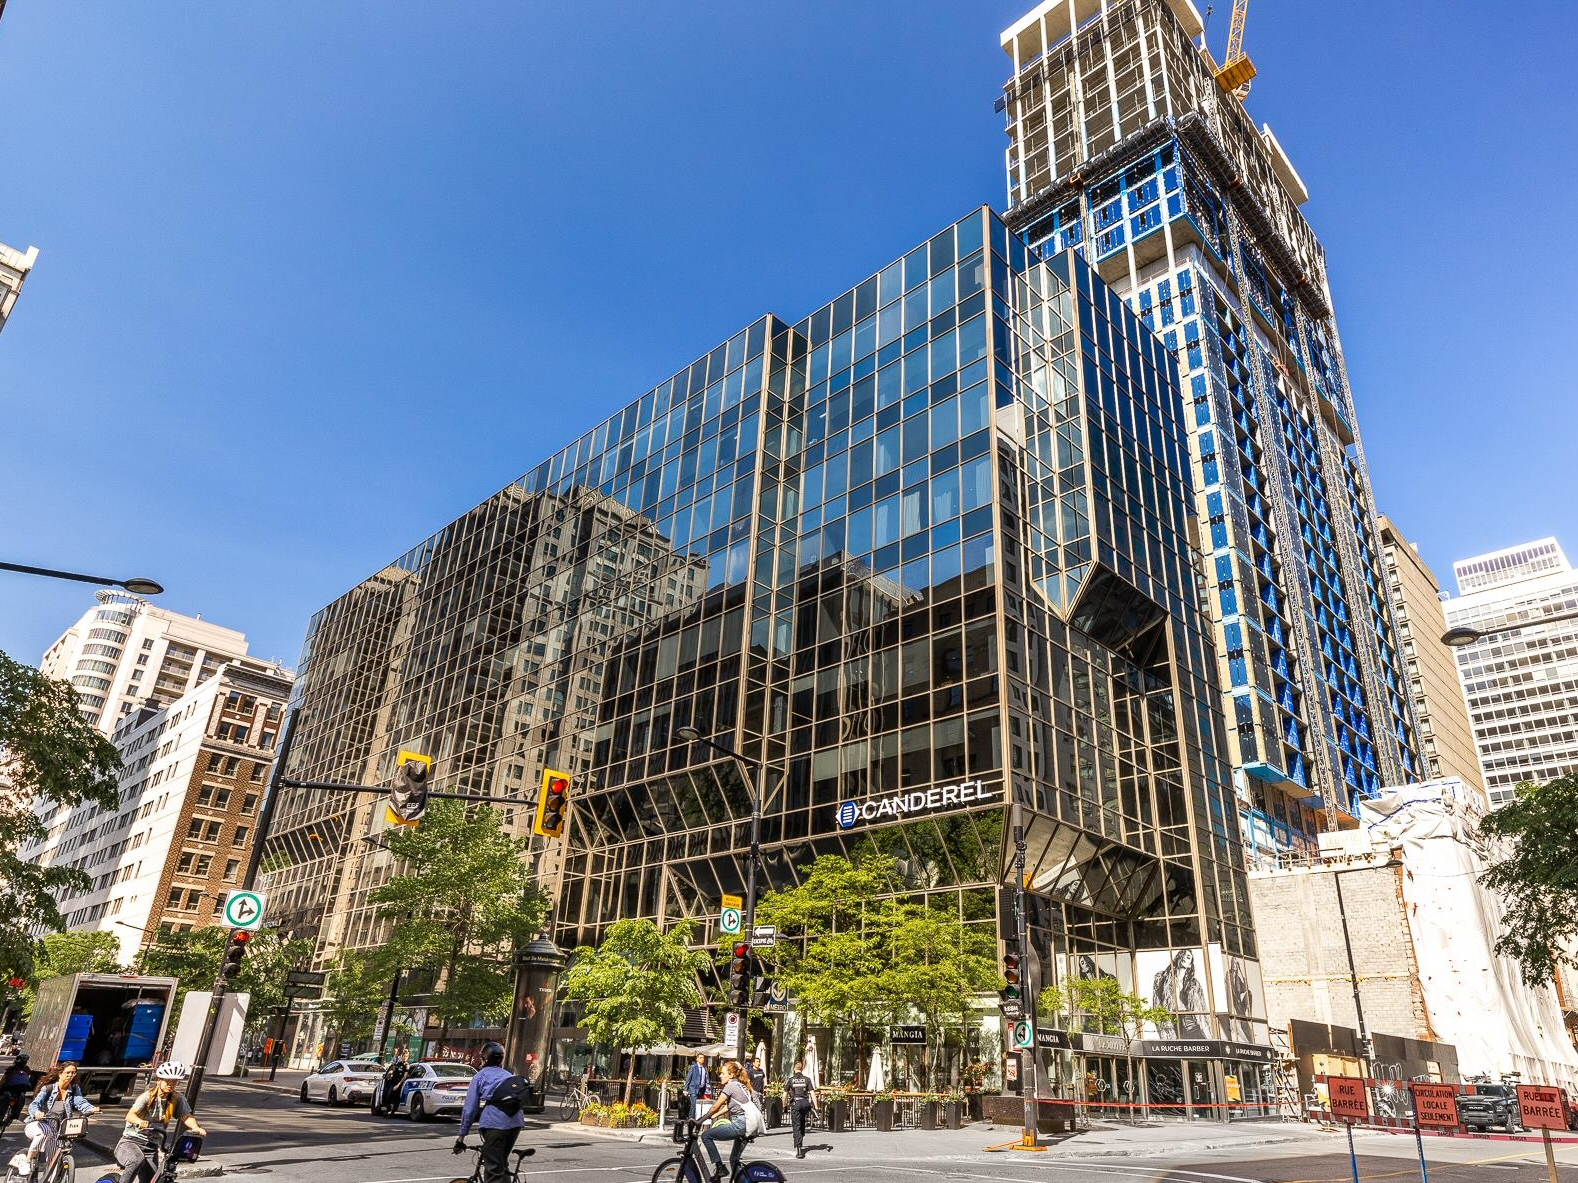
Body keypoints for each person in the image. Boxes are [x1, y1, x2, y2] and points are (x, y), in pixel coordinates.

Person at [115, 1062, 206, 1183]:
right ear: (159, 1081)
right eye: (167, 1081)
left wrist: (195, 1127)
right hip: (130, 1142)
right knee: (136, 1160)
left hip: (151, 1146)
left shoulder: (177, 1099)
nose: (171, 1084)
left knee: (153, 1180)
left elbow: (186, 1116)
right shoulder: (147, 1096)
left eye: (174, 1081)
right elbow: (130, 1115)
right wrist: (139, 1121)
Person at [454, 1041, 523, 1183]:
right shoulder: (508, 1075)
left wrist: (461, 1136)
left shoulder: (480, 1076)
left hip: (495, 1124)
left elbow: (470, 1109)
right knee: (501, 1163)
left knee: (493, 1170)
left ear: (485, 1059)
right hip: (516, 1123)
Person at [25, 1062, 99, 1175]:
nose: (70, 1075)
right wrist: (37, 1113)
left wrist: (91, 1108)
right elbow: (34, 1104)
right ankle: (27, 1160)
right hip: (39, 1124)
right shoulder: (48, 1089)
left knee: (54, 1162)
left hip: (57, 1128)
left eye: (73, 1073)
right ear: (60, 1074)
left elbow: (80, 1102)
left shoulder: (74, 1089)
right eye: (67, 1072)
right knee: (44, 1132)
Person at [699, 1060, 754, 1182]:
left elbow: (715, 1106)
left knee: (706, 1136)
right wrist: (715, 1116)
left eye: (723, 1073)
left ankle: (720, 1167)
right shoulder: (741, 1086)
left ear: (731, 1075)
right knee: (733, 1159)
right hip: (748, 1124)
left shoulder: (730, 1086)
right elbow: (729, 1106)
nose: (720, 1076)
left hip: (740, 1124)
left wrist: (700, 1121)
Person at [784, 1058, 815, 1159]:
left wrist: (784, 1105)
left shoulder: (791, 1080)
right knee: (801, 1121)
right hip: (805, 1103)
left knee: (796, 1125)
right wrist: (816, 1106)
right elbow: (812, 1093)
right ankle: (802, 1134)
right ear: (802, 1069)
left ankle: (799, 1150)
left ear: (794, 1069)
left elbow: (784, 1095)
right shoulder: (807, 1079)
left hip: (796, 1103)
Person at [379, 1046, 411, 1116]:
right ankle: (388, 1108)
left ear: (408, 1057)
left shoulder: (407, 1065)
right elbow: (393, 1071)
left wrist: (398, 1085)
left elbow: (405, 1076)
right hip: (393, 1081)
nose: (405, 1057)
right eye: (404, 1056)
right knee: (387, 1095)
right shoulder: (398, 1064)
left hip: (399, 1083)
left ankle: (392, 1113)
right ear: (402, 1056)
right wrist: (390, 1073)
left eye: (406, 1056)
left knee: (396, 1098)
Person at [684, 1054, 710, 1120]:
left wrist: (708, 1089)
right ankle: (691, 1120)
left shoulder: (705, 1068)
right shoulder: (693, 1067)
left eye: (703, 1058)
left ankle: (697, 1120)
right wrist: (685, 1089)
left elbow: (707, 1079)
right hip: (693, 1089)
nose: (702, 1059)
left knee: (699, 1106)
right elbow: (688, 1078)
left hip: (702, 1090)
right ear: (697, 1059)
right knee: (694, 1105)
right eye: (700, 1058)